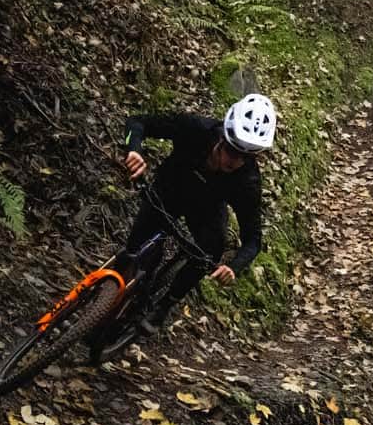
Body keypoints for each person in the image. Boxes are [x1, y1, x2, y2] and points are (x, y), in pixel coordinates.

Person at [115, 93, 276, 332]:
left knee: (211, 251)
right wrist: (134, 150)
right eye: (233, 151)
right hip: (169, 188)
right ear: (223, 137)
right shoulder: (196, 129)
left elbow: (253, 239)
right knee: (134, 251)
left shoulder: (247, 181)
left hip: (206, 209)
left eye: (247, 156)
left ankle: (165, 305)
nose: (236, 161)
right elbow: (137, 122)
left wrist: (233, 267)